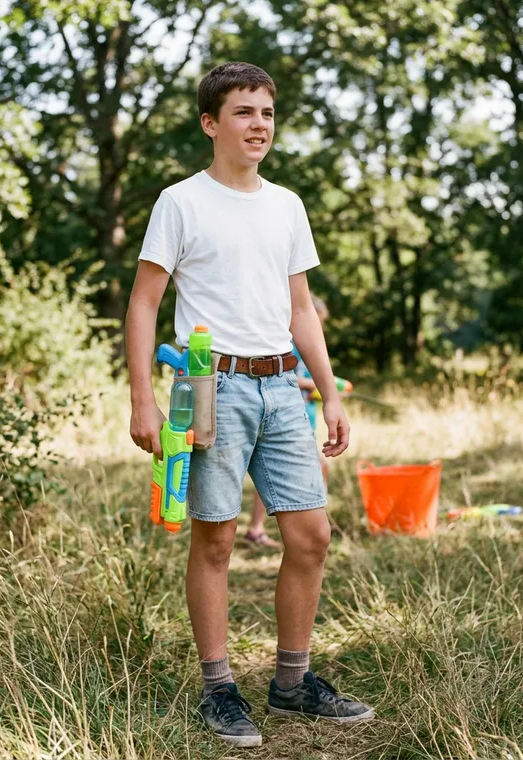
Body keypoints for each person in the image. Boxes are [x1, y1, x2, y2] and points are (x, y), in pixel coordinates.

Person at [126, 61, 373, 749]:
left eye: (266, 112)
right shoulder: (181, 202)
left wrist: (328, 393)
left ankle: (292, 683)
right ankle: (219, 690)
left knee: (311, 535)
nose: (259, 124)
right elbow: (143, 304)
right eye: (243, 112)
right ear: (211, 123)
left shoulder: (287, 205)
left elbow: (301, 309)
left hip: (280, 385)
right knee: (217, 539)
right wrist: (143, 396)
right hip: (209, 387)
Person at [244, 295, 330, 549]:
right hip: (281, 417)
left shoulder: (307, 347)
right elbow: (283, 376)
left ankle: (318, 521)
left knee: (319, 467)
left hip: (304, 417)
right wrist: (310, 385)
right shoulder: (284, 344)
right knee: (275, 473)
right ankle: (257, 527)